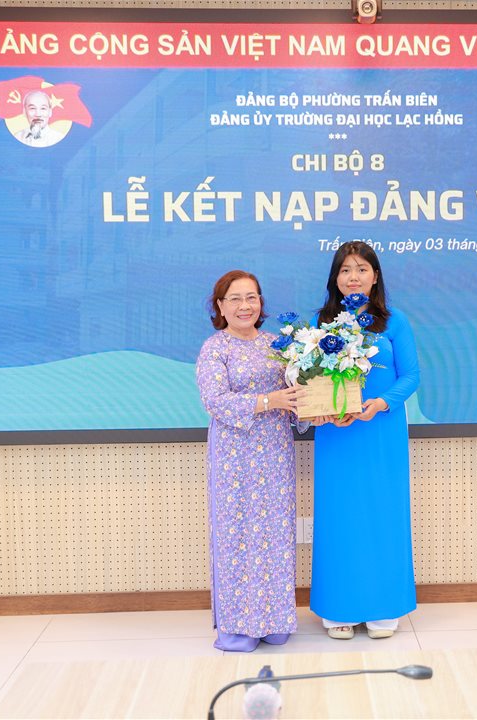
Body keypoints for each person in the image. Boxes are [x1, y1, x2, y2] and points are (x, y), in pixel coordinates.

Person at [309, 242, 421, 640]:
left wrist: (381, 403)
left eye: (361, 269)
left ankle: (383, 606)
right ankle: (338, 607)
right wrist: (319, 408)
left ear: (375, 276)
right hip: (336, 433)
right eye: (345, 270)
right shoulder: (321, 322)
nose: (352, 277)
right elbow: (307, 376)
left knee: (381, 513)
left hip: (380, 430)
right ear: (335, 279)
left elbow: (411, 376)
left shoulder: (395, 321)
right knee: (339, 515)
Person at [195, 270, 305, 652]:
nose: (245, 306)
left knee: (275, 534)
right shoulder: (215, 348)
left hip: (275, 452)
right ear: (220, 306)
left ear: (261, 303)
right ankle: (239, 627)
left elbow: (295, 397)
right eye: (236, 298)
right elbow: (215, 401)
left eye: (252, 297)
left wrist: (313, 404)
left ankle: (274, 621)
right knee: (237, 536)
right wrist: (268, 401)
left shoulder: (278, 345)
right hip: (233, 456)